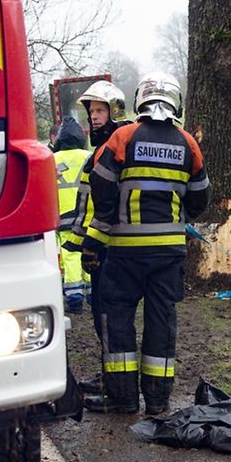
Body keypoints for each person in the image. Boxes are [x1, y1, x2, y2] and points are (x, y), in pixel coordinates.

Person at [80, 72, 210, 415]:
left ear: (140, 101)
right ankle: (157, 400)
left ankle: (122, 398)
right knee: (161, 321)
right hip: (169, 254)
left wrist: (95, 238)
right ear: (175, 102)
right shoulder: (187, 144)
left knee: (117, 317)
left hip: (125, 253)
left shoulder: (123, 137)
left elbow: (102, 186)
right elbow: (199, 199)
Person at [69, 80, 130, 394]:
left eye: (100, 110)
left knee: (107, 315)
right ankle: (112, 376)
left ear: (114, 111)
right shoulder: (104, 148)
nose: (93, 117)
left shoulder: (116, 148)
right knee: (103, 316)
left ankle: (115, 381)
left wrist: (92, 244)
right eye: (91, 111)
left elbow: (107, 203)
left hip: (110, 246)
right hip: (104, 243)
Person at [51, 113, 89, 312]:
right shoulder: (88, 157)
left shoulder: (52, 159)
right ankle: (92, 292)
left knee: (70, 253)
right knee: (89, 250)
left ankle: (74, 296)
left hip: (63, 215)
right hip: (87, 213)